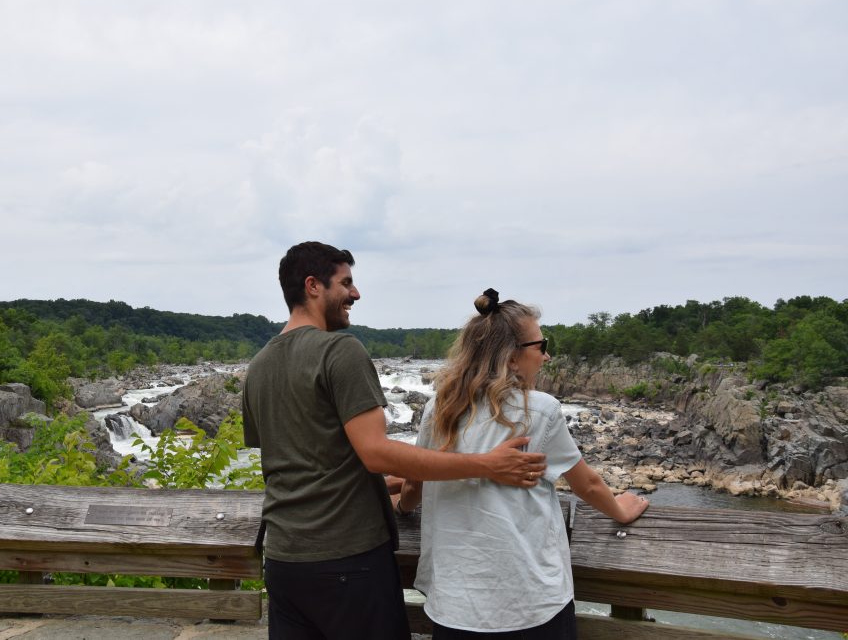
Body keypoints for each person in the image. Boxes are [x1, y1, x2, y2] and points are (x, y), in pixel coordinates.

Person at [242, 244, 549, 640]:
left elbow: (310, 464)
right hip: (347, 560)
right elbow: (375, 453)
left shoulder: (259, 365)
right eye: (346, 283)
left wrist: (402, 483)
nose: (356, 294)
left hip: (283, 560)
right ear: (313, 286)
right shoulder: (340, 350)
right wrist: (486, 464)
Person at [398, 289, 649, 639]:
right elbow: (586, 484)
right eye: (541, 346)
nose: (546, 357)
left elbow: (415, 484)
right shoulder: (539, 410)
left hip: (455, 604)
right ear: (512, 358)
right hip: (528, 602)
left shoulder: (440, 408)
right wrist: (620, 511)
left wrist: (404, 509)